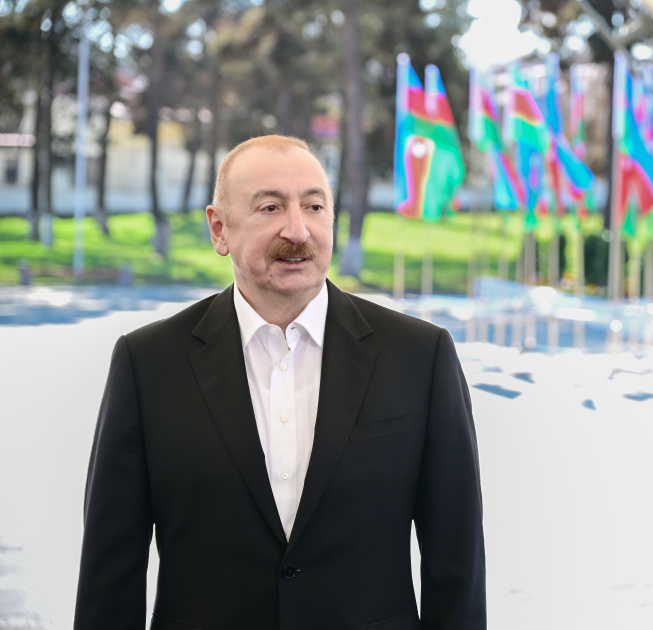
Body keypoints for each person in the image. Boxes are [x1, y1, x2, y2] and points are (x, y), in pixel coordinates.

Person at [74, 135, 486, 630]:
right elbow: (110, 575)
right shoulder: (147, 364)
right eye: (270, 207)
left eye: (314, 206)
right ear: (219, 229)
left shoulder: (420, 357)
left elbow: (457, 564)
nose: (298, 229)